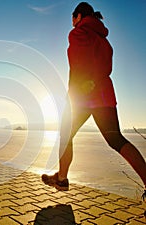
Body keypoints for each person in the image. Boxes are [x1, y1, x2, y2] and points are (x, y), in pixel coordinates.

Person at [41, 2, 146, 198]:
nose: (72, 22)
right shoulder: (104, 40)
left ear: (79, 16)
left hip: (82, 95)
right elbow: (104, 67)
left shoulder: (77, 33)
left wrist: (77, 90)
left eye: (73, 18)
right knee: (115, 139)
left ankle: (62, 179)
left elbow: (78, 63)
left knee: (65, 134)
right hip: (105, 93)